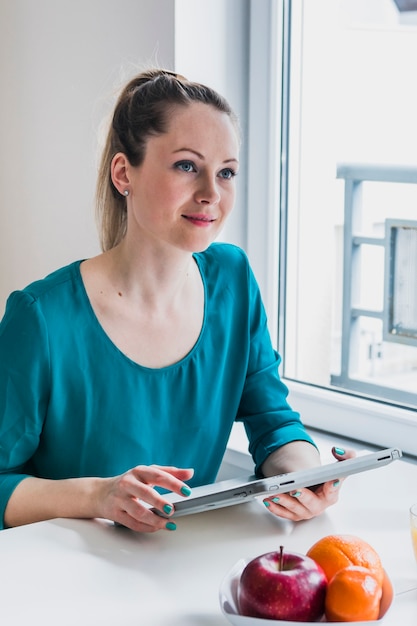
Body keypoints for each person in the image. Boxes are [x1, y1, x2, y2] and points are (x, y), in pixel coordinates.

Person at [0, 68, 352, 533]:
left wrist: (305, 475)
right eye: (188, 166)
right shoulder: (41, 318)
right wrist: (100, 496)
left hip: (183, 575)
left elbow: (273, 422)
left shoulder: (234, 280)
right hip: (66, 586)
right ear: (124, 173)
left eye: (226, 172)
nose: (212, 194)